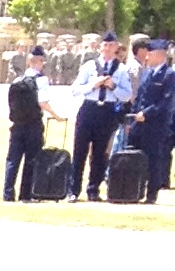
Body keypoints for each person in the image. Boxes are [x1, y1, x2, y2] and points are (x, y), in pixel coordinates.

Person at [69, 33, 131, 201]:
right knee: (79, 150)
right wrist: (93, 85)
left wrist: (113, 86)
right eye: (105, 45)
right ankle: (73, 190)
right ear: (101, 47)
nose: (108, 48)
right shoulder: (90, 66)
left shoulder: (121, 69)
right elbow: (75, 89)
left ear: (116, 47)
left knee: (100, 152)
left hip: (107, 111)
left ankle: (93, 190)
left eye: (112, 45)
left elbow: (127, 95)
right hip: (89, 109)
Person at [2, 44, 54, 202]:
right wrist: (56, 116)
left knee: (13, 160)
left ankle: (8, 194)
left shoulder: (17, 80)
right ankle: (26, 194)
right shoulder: (42, 80)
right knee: (31, 160)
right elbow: (42, 102)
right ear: (39, 61)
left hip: (17, 124)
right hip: (33, 125)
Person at [131, 34, 175, 203]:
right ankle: (135, 191)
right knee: (137, 157)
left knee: (154, 159)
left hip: (156, 124)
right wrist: (133, 115)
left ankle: (151, 194)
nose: (147, 57)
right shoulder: (147, 73)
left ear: (160, 55)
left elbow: (166, 101)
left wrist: (146, 113)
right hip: (139, 123)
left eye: (150, 54)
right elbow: (140, 96)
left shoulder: (169, 75)